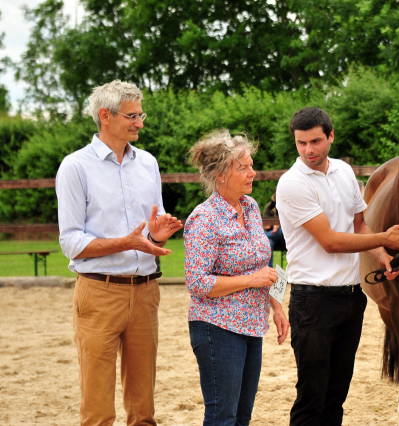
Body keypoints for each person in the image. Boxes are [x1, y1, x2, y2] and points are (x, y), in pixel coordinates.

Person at [276, 107, 399, 426]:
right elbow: (330, 241)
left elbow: (359, 224)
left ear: (331, 136)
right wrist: (387, 237)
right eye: (301, 144)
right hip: (312, 302)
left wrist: (383, 254)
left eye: (315, 141)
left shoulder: (344, 171)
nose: (308, 150)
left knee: (336, 397)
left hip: (351, 298)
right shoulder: (292, 183)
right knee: (311, 399)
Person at [56, 80, 183, 426]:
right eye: (132, 115)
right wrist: (126, 243)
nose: (140, 122)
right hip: (98, 293)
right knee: (97, 412)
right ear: (105, 116)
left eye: (141, 114)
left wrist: (156, 234)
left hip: (145, 293)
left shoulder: (148, 164)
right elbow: (70, 241)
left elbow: (147, 229)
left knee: (144, 411)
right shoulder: (75, 167)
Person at [184, 130, 290, 426]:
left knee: (242, 417)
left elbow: (265, 262)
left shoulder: (252, 207)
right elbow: (197, 283)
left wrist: (277, 306)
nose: (252, 172)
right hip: (217, 327)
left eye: (251, 165)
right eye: (243, 167)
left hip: (252, 326)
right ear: (220, 175)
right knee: (222, 417)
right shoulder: (203, 219)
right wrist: (250, 280)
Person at [263, 188, 286, 267]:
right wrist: (273, 226)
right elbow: (266, 225)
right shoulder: (269, 207)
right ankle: (269, 272)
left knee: (282, 231)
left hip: (285, 235)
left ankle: (260, 237)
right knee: (267, 243)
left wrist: (277, 225)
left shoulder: (287, 206)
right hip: (273, 235)